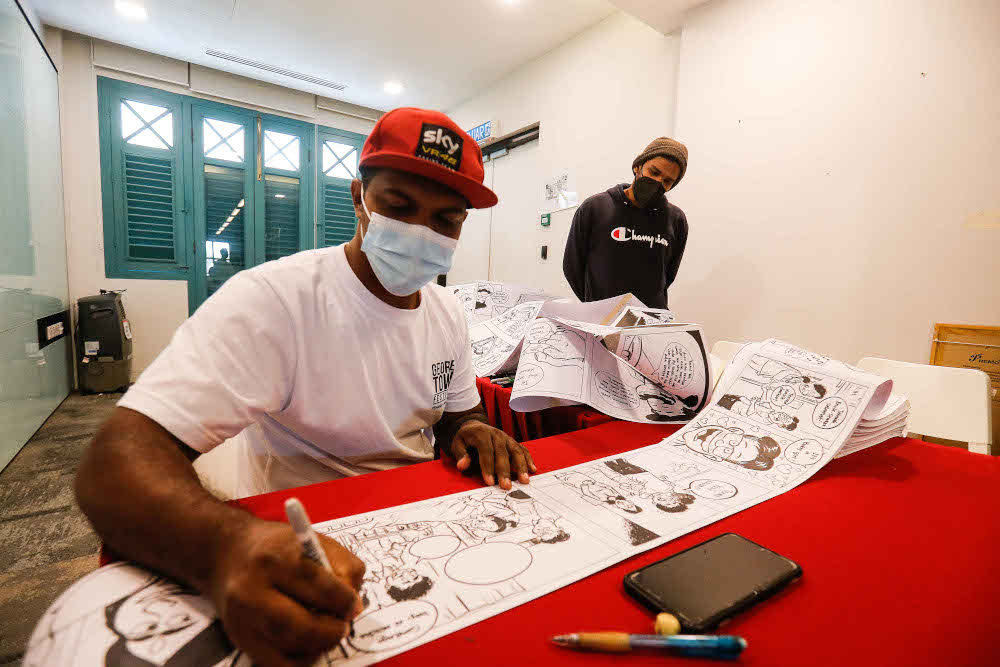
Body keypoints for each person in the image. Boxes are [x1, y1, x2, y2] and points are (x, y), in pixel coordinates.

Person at [75, 108, 539, 667]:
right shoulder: (276, 300)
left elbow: (455, 416)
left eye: (446, 219)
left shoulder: (447, 312)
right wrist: (227, 546)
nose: (422, 233)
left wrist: (473, 431)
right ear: (358, 198)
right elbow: (113, 464)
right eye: (398, 207)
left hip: (416, 524)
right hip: (302, 539)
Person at [563, 137, 689, 309]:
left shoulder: (676, 220)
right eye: (654, 172)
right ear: (638, 166)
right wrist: (594, 306)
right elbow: (572, 266)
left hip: (651, 320)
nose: (658, 182)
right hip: (601, 319)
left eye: (667, 181)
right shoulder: (595, 207)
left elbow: (668, 275)